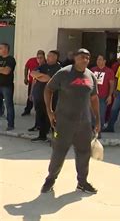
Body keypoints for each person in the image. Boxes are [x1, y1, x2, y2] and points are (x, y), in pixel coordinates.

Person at [40, 48, 100, 194]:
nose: (85, 60)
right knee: (58, 153)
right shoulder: (64, 73)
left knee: (84, 153)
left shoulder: (91, 76)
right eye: (82, 57)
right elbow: (48, 89)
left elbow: (94, 98)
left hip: (84, 124)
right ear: (75, 57)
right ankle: (50, 180)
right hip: (64, 122)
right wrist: (49, 111)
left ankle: (82, 182)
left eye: (87, 57)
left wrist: (97, 119)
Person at [30, 50, 62, 142]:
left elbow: (48, 79)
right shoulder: (43, 66)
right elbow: (32, 73)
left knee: (53, 118)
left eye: (50, 56)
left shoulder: (58, 68)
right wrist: (41, 76)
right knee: (41, 116)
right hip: (40, 97)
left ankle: (56, 137)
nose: (47, 58)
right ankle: (42, 135)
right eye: (47, 56)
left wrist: (39, 76)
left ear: (55, 57)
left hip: (52, 98)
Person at [91, 55, 115, 133]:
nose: (98, 61)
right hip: (93, 96)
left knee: (101, 113)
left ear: (104, 61)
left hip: (103, 96)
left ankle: (99, 130)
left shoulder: (109, 71)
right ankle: (92, 129)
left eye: (100, 59)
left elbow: (111, 84)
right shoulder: (93, 70)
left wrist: (110, 95)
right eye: (97, 59)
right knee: (91, 113)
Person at [22, 50, 45, 116]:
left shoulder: (45, 63)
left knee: (40, 98)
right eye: (38, 56)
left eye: (41, 56)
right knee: (30, 96)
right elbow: (26, 68)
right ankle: (27, 110)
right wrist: (25, 77)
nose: (39, 59)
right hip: (32, 81)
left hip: (41, 83)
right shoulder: (31, 60)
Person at [0, 43, 16, 131]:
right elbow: (4, 70)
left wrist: (3, 69)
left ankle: (10, 124)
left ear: (6, 49)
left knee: (9, 105)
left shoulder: (11, 59)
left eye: (0, 48)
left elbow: (7, 71)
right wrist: (2, 69)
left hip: (7, 86)